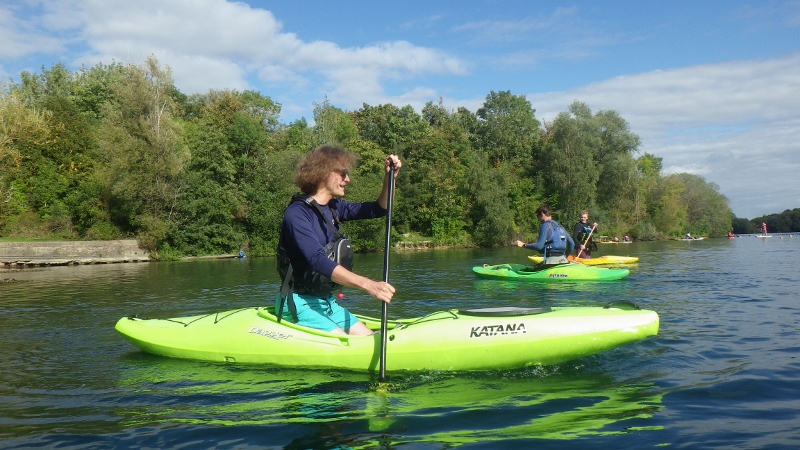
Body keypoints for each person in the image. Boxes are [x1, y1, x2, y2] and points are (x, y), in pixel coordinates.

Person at [276, 146, 402, 336]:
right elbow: (317, 260)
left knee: (367, 337)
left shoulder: (334, 207)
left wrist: (390, 178)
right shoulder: (297, 214)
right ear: (323, 172)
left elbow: (379, 209)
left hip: (326, 302)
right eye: (343, 173)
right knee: (348, 344)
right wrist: (369, 285)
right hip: (299, 303)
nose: (347, 179)